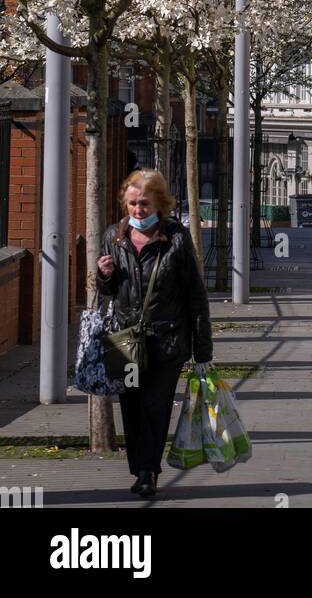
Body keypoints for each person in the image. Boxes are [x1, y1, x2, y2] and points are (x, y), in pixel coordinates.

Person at [96, 169, 212, 500]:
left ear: (160, 203)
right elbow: (110, 291)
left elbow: (195, 293)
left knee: (155, 405)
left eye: (144, 204)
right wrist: (104, 275)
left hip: (167, 340)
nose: (137, 211)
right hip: (126, 339)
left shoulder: (176, 237)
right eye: (131, 204)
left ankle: (148, 472)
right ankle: (140, 466)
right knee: (131, 406)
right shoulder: (113, 237)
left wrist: (202, 349)